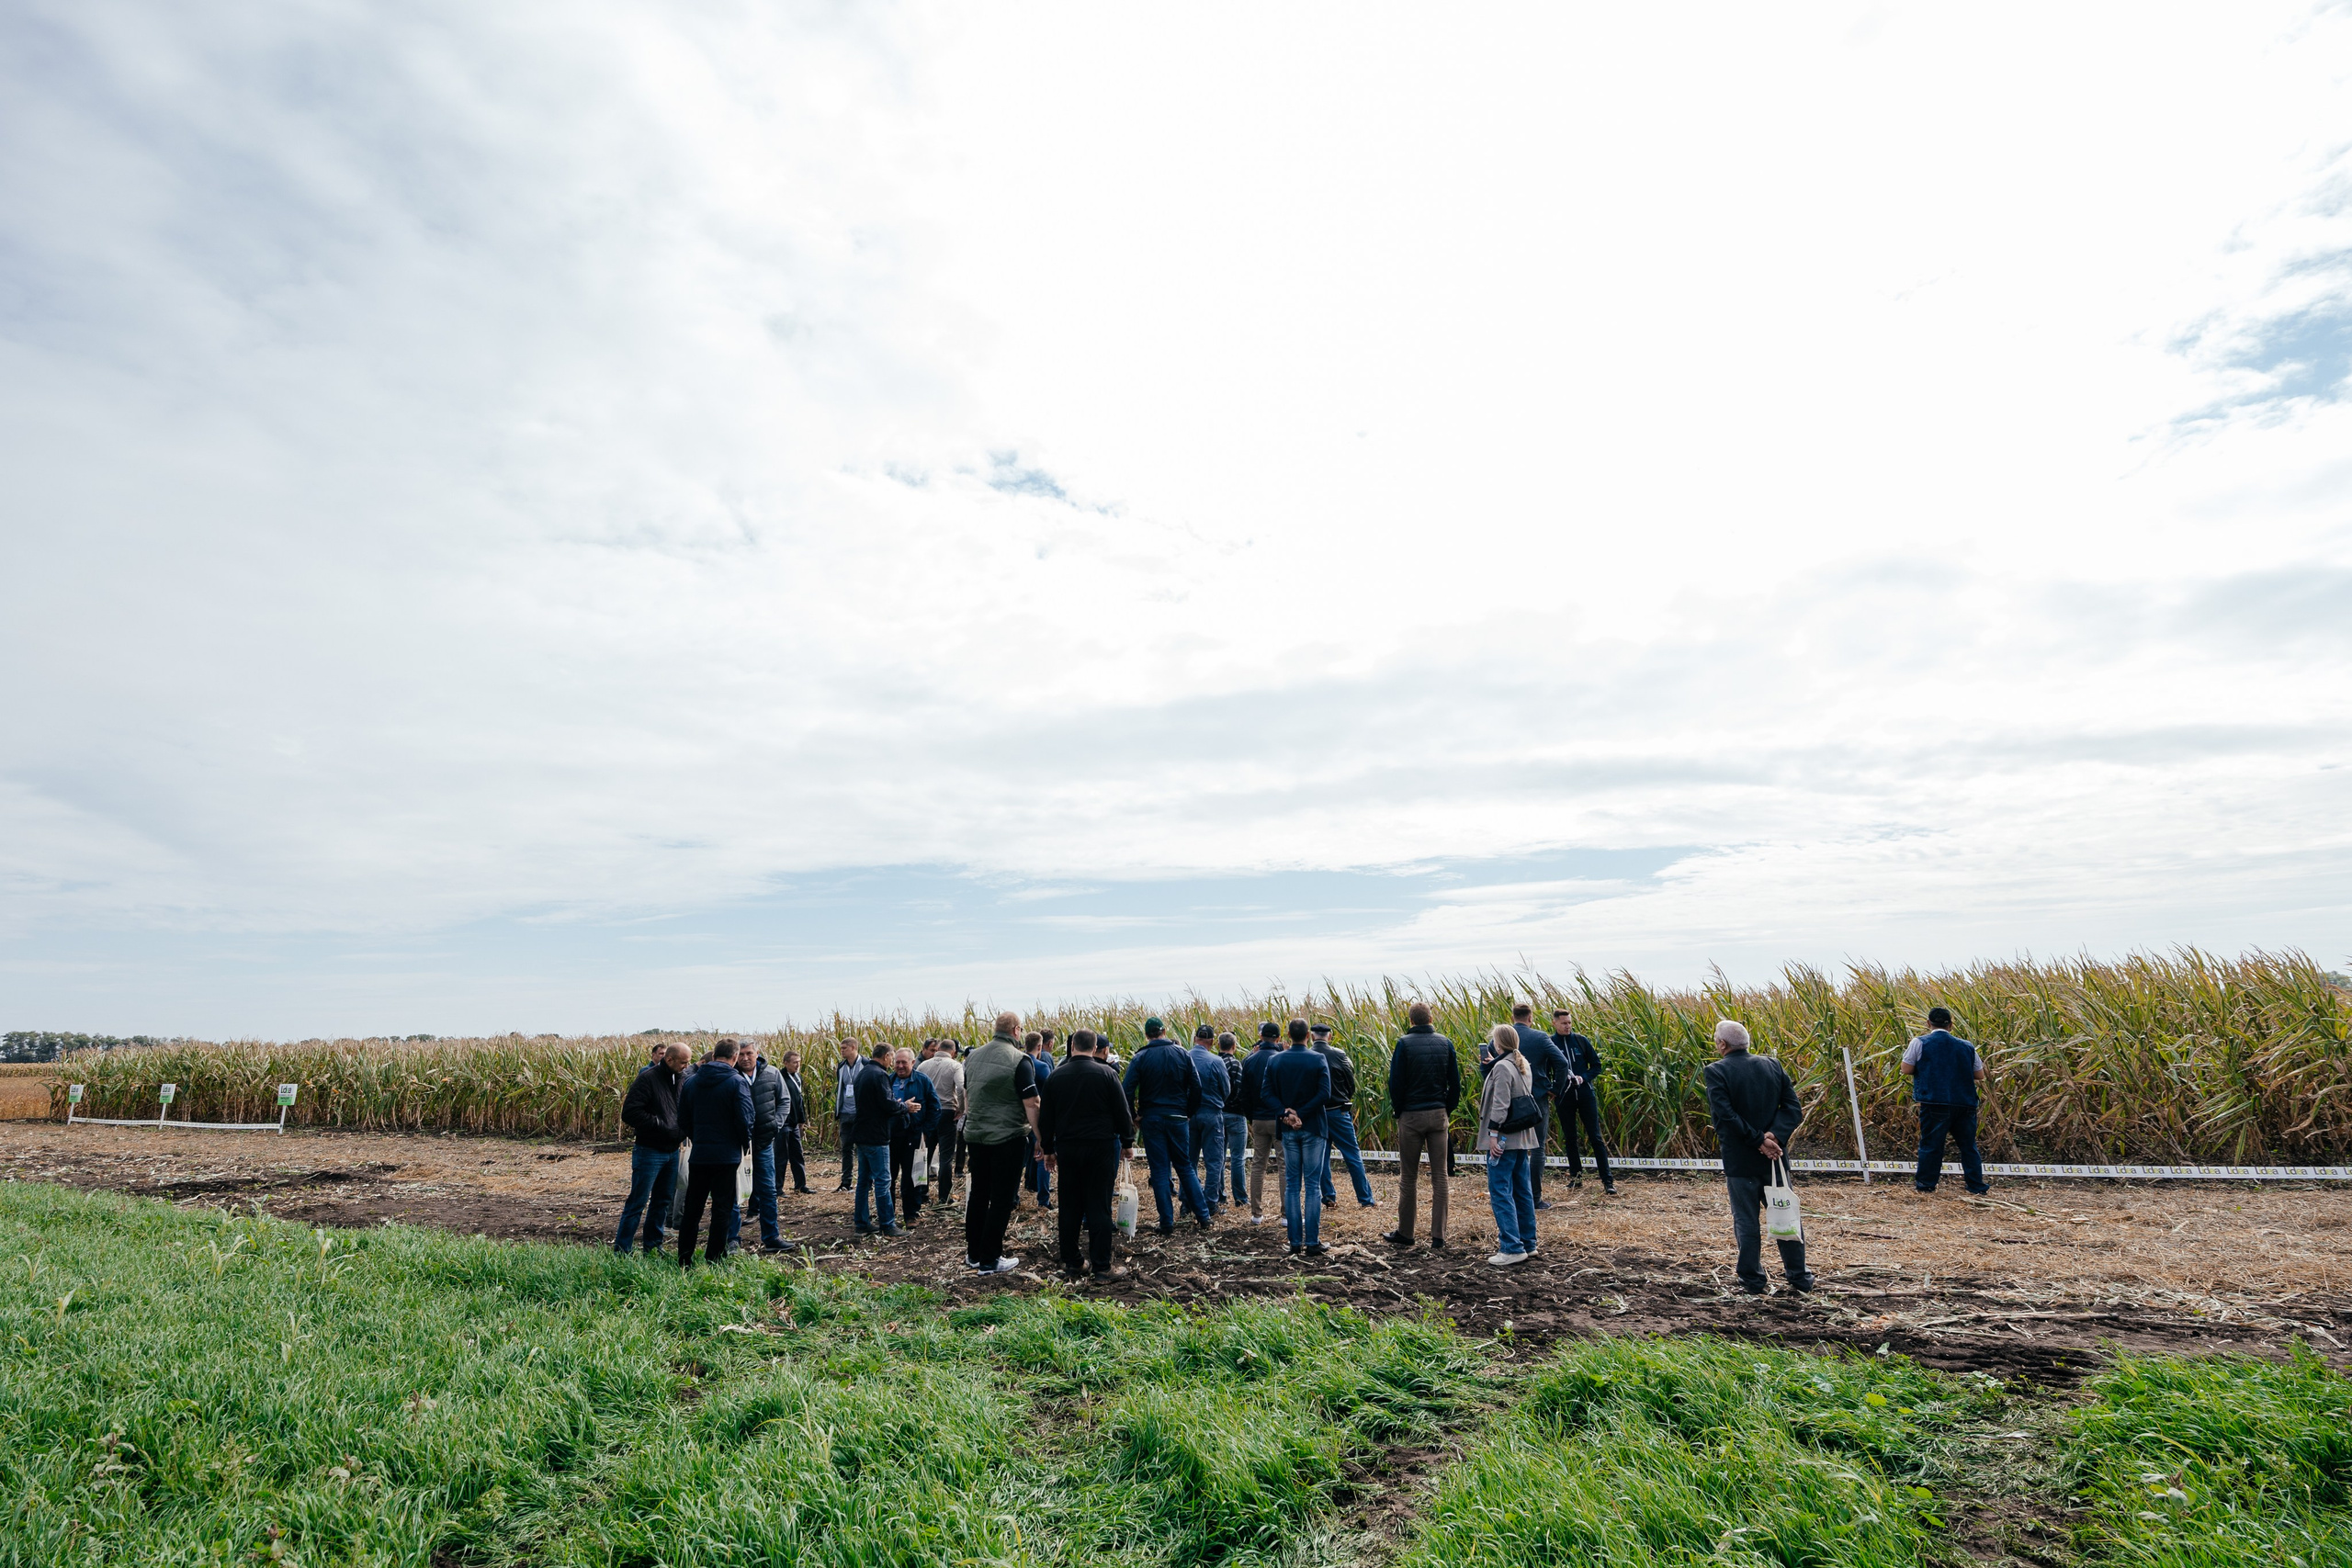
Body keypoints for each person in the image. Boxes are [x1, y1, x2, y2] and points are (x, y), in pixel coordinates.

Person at [1702, 1020, 1815, 1295]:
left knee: (1746, 1220)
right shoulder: (1772, 1065)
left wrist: (1758, 1141)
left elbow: (1725, 1116)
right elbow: (1793, 1107)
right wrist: (1774, 1137)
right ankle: (1799, 1278)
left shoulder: (1716, 1071)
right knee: (1786, 1214)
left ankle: (1753, 1280)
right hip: (1775, 1159)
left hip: (1741, 1161)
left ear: (1722, 1044)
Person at [1037, 1028, 1136, 1280]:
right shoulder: (1106, 1074)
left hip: (1069, 1147)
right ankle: (1102, 1266)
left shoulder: (1056, 1077)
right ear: (1094, 1049)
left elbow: (1046, 1117)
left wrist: (1048, 1149)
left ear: (1071, 1047)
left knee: (1069, 1205)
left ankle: (1073, 1262)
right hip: (1101, 1146)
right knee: (1099, 1205)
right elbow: (1121, 1112)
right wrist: (1127, 1142)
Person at [962, 1010, 1044, 1274]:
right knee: (1001, 1197)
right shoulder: (1019, 1060)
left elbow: (967, 1094)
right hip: (1006, 1137)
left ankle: (973, 1254)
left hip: (976, 1136)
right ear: (1017, 1031)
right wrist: (1040, 1138)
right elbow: (1032, 1103)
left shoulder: (972, 1057)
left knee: (978, 1194)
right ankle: (990, 1259)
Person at [1383, 1003, 1461, 1252]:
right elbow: (1455, 1082)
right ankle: (1438, 1235)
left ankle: (1406, 1233)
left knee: (1409, 1177)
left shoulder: (1403, 1044)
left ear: (1412, 1020)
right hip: (1438, 1115)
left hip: (1412, 1115)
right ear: (1430, 1018)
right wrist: (1447, 1109)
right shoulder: (1445, 1043)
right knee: (1440, 1176)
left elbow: (1395, 1082)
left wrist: (1399, 1110)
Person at [1123, 1017, 1212, 1234]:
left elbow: (1126, 1090)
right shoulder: (1182, 1054)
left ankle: (1166, 1223)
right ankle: (1204, 1217)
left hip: (1152, 1118)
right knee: (1185, 1167)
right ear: (1164, 1031)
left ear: (1147, 1035)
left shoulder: (1140, 1057)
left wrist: (1134, 1116)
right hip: (1178, 1118)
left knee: (1160, 1171)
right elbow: (1197, 1087)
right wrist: (1188, 1112)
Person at [676, 1040, 754, 1268]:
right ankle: (714, 1257)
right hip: (727, 1156)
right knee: (722, 1208)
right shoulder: (737, 1082)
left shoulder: (691, 1082)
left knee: (693, 1207)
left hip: (700, 1154)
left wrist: (698, 1137)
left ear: (714, 1056)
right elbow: (745, 1119)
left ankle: (685, 1259)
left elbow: (683, 1119)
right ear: (734, 1057)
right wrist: (742, 1143)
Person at [1262, 1019, 1332, 1257]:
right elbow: (1325, 1093)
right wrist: (1302, 1113)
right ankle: (1311, 1242)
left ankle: (1294, 1242)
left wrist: (1286, 1113)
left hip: (1288, 1129)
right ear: (1308, 1036)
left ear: (1289, 1036)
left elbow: (1266, 1094)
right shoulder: (1317, 1059)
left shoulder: (1275, 1060)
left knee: (1292, 1184)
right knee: (1312, 1186)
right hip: (1313, 1128)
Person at [1903, 1006, 1989, 1194]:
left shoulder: (1919, 1042)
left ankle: (1926, 1185)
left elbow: (1906, 1069)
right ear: (1951, 1025)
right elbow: (1980, 1074)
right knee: (1968, 1147)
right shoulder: (1966, 1046)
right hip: (1964, 1102)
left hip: (1935, 1102)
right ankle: (1976, 1186)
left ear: (1928, 1023)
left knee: (1931, 1145)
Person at [615, 1041, 689, 1254]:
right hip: (649, 1150)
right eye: (683, 1062)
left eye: (688, 1062)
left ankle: (653, 1246)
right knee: (638, 1201)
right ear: (669, 1060)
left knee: (662, 1201)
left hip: (672, 1151)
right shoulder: (647, 1079)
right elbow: (630, 1112)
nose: (686, 1066)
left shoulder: (681, 1079)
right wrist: (660, 1125)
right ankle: (622, 1250)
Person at [1479, 1024, 1540, 1267]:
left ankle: (1511, 1247)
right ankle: (1528, 1243)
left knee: (1501, 1191)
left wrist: (1493, 1133)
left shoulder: (1504, 1067)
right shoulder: (1520, 1063)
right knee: (1522, 1190)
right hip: (1522, 1137)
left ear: (1498, 1043)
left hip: (1503, 1138)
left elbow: (1501, 1104)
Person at [1508, 1004, 1569, 1208]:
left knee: (1512, 1147)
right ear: (1530, 1018)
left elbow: (1487, 1065)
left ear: (1513, 1017)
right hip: (1537, 1097)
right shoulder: (1540, 1037)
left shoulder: (1502, 1037)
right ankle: (1534, 1199)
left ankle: (1513, 1197)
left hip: (1509, 1100)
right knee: (1537, 1147)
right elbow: (1562, 1063)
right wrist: (1555, 1089)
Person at [1548, 1007, 1614, 1193]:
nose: (1568, 1026)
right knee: (1570, 1139)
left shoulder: (1581, 1041)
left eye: (1569, 1023)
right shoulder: (1550, 1043)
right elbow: (1546, 1070)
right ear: (1554, 1023)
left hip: (1585, 1094)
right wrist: (1554, 1088)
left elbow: (1596, 1066)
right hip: (1563, 1097)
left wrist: (1583, 1078)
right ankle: (1576, 1179)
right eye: (1564, 1023)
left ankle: (1607, 1181)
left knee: (1595, 1137)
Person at [1312, 1023, 1376, 1208]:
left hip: (1317, 1114)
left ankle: (1329, 1197)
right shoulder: (1339, 1054)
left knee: (1321, 1158)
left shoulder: (1309, 1056)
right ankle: (1365, 1200)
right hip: (1339, 1112)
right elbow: (1351, 1081)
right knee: (1352, 1156)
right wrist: (1345, 1096)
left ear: (1311, 1036)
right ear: (1329, 1036)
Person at [735, 1041, 788, 1253]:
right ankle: (732, 1238)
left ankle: (771, 1237)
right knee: (735, 1192)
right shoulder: (732, 1075)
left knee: (767, 1190)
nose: (745, 1058)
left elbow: (784, 1101)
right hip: (737, 1145)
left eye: (749, 1053)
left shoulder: (773, 1073)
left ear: (758, 1054)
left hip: (764, 1142)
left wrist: (775, 1124)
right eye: (741, 1054)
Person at [849, 1041, 902, 1237]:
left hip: (862, 1133)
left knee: (864, 1180)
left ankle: (862, 1222)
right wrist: (904, 1106)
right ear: (887, 1056)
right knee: (882, 1180)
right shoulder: (880, 1075)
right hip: (876, 1135)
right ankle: (887, 1224)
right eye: (892, 1057)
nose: (893, 1061)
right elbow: (887, 1105)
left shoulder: (863, 1072)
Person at [1238, 1021, 1286, 1224]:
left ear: (1261, 1037)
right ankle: (1286, 1215)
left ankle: (1256, 1214)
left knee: (1258, 1165)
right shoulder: (1281, 1059)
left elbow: (1243, 1093)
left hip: (1258, 1118)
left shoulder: (1250, 1060)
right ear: (1277, 1038)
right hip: (1279, 1119)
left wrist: (1252, 1116)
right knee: (1284, 1166)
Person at [887, 1047, 939, 1226]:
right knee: (890, 1177)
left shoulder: (922, 1081)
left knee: (912, 1177)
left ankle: (911, 1215)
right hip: (891, 1136)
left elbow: (935, 1108)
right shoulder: (888, 1080)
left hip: (914, 1135)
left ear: (913, 1063)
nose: (900, 1066)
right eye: (897, 1063)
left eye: (904, 1063)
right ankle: (889, 1214)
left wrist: (926, 1131)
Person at [1185, 1023, 1231, 1213]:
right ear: (1212, 1042)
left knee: (1188, 1162)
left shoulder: (1184, 1057)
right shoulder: (1216, 1061)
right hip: (1211, 1113)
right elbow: (1226, 1090)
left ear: (1195, 1039)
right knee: (1214, 1162)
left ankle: (1187, 1203)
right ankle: (1210, 1203)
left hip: (1187, 1116)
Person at [917, 1033, 967, 1206]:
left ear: (938, 1050)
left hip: (928, 1113)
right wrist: (961, 1108)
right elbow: (961, 1087)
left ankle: (922, 1194)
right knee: (946, 1157)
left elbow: (916, 1088)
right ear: (953, 1052)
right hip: (947, 1113)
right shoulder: (955, 1066)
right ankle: (944, 1196)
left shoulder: (923, 1065)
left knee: (925, 1154)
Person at [1024, 1032, 1057, 1211]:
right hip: (1038, 1117)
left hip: (1020, 1119)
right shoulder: (1042, 1067)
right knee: (1043, 1156)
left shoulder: (1018, 1064)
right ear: (1039, 1047)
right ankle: (1043, 1199)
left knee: (1024, 1157)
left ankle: (1015, 1196)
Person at [1215, 1032, 1248, 1203]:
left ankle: (1220, 1195)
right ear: (1234, 1046)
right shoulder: (1235, 1064)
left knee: (1219, 1157)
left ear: (1218, 1045)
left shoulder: (1214, 1062)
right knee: (1237, 1158)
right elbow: (1239, 1090)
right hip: (1235, 1115)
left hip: (1218, 1114)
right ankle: (1240, 1198)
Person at [777, 1048, 812, 1194]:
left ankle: (801, 1185)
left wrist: (802, 1120)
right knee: (781, 1157)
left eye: (799, 1062)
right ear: (785, 1063)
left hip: (795, 1124)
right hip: (783, 1123)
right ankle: (777, 1188)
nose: (797, 1065)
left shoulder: (797, 1077)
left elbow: (800, 1101)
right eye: (794, 1062)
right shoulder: (779, 1077)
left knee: (797, 1154)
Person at [832, 1039, 863, 1191]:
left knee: (863, 1148)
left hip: (861, 1114)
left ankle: (866, 1181)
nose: (842, 1051)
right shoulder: (841, 1067)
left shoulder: (865, 1064)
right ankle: (846, 1183)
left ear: (853, 1047)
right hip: (845, 1113)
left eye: (844, 1048)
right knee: (846, 1149)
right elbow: (841, 1089)